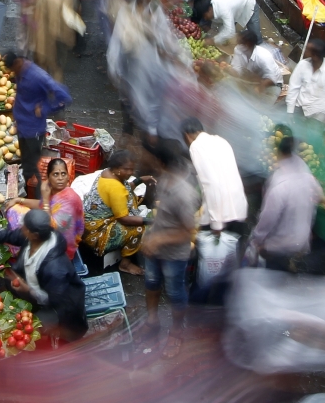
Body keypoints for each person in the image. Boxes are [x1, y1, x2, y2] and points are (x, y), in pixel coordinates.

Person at [249, 135, 325, 271]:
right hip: (301, 244)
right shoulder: (307, 175)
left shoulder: (279, 184)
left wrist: (256, 241)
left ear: (279, 153)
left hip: (279, 248)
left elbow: (268, 219)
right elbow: (322, 199)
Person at [0, 210, 89, 342]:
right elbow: (12, 236)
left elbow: (55, 300)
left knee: (26, 327)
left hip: (60, 307)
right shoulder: (32, 237)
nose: (21, 229)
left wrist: (29, 290)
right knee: (9, 283)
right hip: (34, 288)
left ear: (34, 234)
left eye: (24, 227)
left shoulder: (55, 270)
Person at [139, 144, 199, 358]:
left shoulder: (184, 194)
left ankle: (176, 331)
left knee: (175, 292)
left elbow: (188, 232)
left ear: (161, 163)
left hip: (174, 254)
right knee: (151, 283)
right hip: (155, 246)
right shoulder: (163, 178)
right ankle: (152, 320)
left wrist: (160, 239)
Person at [4, 52, 73, 198]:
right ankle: (28, 195)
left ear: (18, 63)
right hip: (22, 127)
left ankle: (39, 202)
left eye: (12, 69)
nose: (12, 73)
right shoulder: (20, 72)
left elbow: (64, 97)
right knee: (27, 164)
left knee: (35, 168)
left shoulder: (38, 76)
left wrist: (46, 108)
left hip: (33, 130)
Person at [81, 150, 150, 275]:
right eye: (127, 169)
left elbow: (126, 188)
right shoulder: (115, 188)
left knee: (130, 199)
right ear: (117, 168)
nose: (131, 173)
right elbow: (123, 218)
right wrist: (148, 221)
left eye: (132, 169)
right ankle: (125, 264)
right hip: (96, 233)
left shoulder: (106, 172)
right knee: (139, 229)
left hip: (86, 222)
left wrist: (139, 180)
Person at [5, 158, 85, 260]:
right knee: (14, 209)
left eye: (63, 174)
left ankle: (23, 252)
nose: (60, 178)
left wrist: (46, 199)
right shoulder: (55, 191)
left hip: (60, 250)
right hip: (51, 233)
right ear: (48, 177)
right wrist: (19, 200)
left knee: (22, 222)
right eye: (56, 174)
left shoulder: (69, 198)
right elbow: (41, 205)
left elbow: (50, 229)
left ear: (68, 177)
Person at [181, 117, 247, 236]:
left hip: (221, 215)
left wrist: (216, 223)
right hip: (239, 208)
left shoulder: (196, 147)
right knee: (231, 251)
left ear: (186, 136)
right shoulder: (222, 141)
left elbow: (211, 184)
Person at [29, 0, 76, 80]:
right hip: (60, 38)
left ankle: (44, 90)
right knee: (57, 68)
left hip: (42, 39)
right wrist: (70, 39)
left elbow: (34, 18)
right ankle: (55, 92)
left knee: (42, 66)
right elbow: (69, 19)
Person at [285, 38, 325, 122]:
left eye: (307, 49)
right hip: (299, 107)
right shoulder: (302, 65)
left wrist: (318, 120)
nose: (304, 50)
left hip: (317, 113)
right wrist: (290, 111)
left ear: (315, 55)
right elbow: (293, 87)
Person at [230, 30, 284, 102]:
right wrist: (228, 70)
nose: (238, 44)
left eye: (241, 42)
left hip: (272, 83)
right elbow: (237, 70)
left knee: (262, 106)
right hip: (254, 78)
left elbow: (272, 78)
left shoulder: (263, 56)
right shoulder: (238, 49)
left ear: (249, 44)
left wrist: (260, 87)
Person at [196, 0, 261, 46]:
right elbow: (221, 26)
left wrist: (213, 40)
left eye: (205, 15)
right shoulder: (213, 7)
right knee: (227, 32)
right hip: (235, 9)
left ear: (209, 10)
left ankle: (263, 50)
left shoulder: (223, 9)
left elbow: (230, 31)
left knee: (255, 37)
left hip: (248, 4)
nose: (205, 18)